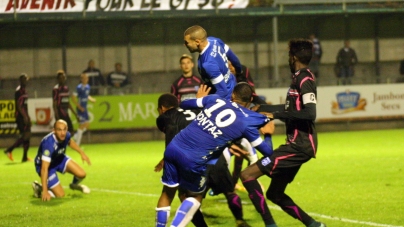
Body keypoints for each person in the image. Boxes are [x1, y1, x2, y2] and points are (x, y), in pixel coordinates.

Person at [155, 83, 274, 227]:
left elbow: (185, 104)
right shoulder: (246, 121)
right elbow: (268, 152)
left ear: (233, 95)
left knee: (168, 194)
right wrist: (268, 135)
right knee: (196, 196)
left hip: (173, 148)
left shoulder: (216, 100)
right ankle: (239, 220)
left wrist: (200, 101)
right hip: (199, 158)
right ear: (249, 102)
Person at [240, 38, 326, 227]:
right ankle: (314, 225)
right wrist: (261, 107)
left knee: (247, 175)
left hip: (299, 145)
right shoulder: (301, 78)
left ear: (293, 57)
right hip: (298, 145)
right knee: (274, 194)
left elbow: (310, 113)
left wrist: (275, 114)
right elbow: (290, 107)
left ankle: (270, 224)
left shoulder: (305, 79)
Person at [31, 119, 91, 201]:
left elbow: (69, 141)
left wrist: (81, 153)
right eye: (59, 130)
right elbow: (44, 168)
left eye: (64, 129)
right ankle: (40, 188)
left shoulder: (66, 135)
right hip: (47, 167)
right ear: (54, 131)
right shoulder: (48, 144)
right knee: (60, 195)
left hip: (59, 158)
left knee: (82, 174)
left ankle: (73, 185)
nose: (62, 133)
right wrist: (45, 191)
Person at [183, 25, 242, 100]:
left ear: (197, 42)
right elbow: (233, 58)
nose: (185, 45)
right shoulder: (213, 40)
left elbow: (223, 91)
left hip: (226, 101)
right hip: (233, 86)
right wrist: (239, 71)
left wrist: (201, 100)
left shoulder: (208, 64)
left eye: (187, 42)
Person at [4, 73, 32, 162]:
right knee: (25, 135)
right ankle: (9, 150)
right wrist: (24, 116)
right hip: (20, 116)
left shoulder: (25, 90)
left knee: (28, 135)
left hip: (25, 115)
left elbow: (25, 105)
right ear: (20, 80)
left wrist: (28, 116)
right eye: (24, 79)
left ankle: (24, 157)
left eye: (26, 79)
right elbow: (19, 106)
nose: (26, 80)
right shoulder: (19, 90)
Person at [71, 73, 96, 146]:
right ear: (81, 79)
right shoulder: (79, 87)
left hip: (84, 108)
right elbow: (73, 97)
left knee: (87, 125)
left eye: (87, 78)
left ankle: (76, 136)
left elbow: (87, 95)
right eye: (84, 78)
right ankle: (77, 144)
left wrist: (91, 99)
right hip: (80, 108)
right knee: (82, 125)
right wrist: (79, 107)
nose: (85, 80)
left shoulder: (88, 87)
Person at [52, 70, 78, 136]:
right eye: (60, 78)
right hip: (60, 114)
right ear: (58, 79)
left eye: (63, 78)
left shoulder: (66, 88)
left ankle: (61, 145)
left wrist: (75, 114)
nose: (62, 79)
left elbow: (68, 103)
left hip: (66, 113)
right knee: (62, 134)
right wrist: (56, 115)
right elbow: (54, 103)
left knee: (71, 132)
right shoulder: (56, 89)